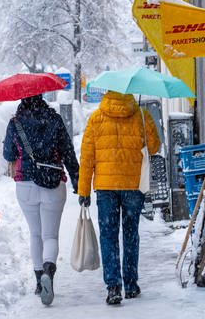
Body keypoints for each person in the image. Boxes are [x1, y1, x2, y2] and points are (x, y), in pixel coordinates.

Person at [77, 91, 160, 305]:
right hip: (133, 186)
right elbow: (154, 147)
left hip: (106, 188)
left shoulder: (96, 118)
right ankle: (131, 284)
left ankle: (113, 286)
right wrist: (144, 123)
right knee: (131, 233)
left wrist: (83, 190)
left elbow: (87, 158)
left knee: (109, 235)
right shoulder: (140, 114)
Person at [3, 94, 79, 306]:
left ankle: (38, 282)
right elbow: (68, 153)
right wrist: (78, 181)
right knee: (50, 236)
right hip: (53, 184)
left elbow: (8, 154)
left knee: (35, 234)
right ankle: (48, 271)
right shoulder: (54, 119)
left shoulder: (15, 122)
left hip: (26, 185)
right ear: (42, 97)